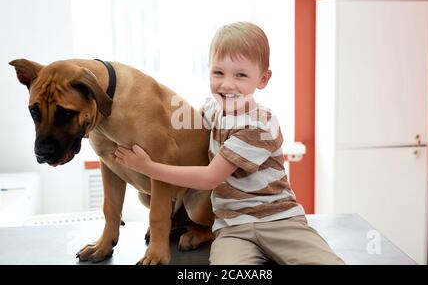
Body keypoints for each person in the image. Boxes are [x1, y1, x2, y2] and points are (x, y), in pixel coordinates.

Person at [115, 21, 344, 265]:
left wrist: (147, 167)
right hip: (232, 228)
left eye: (241, 75)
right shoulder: (213, 110)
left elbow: (210, 178)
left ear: (263, 79)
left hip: (279, 221)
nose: (227, 84)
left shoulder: (258, 124)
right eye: (218, 73)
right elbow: (176, 129)